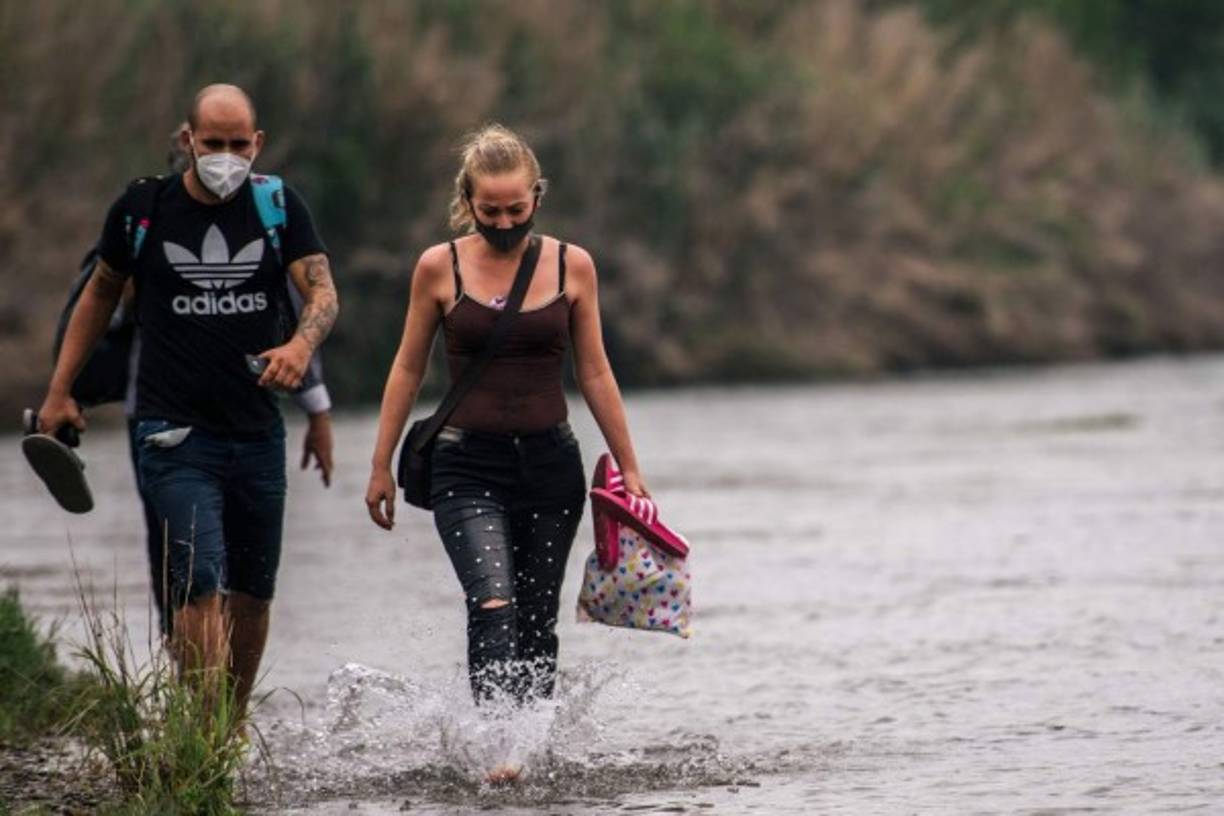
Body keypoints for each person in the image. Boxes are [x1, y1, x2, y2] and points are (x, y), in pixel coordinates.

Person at [37, 84, 339, 723]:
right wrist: (60, 390)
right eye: (213, 143)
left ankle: (226, 729)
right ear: (188, 141)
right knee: (199, 583)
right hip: (172, 434)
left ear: (257, 144)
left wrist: (299, 347)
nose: (225, 156)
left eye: (238, 144)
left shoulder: (277, 205)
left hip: (257, 432)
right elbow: (98, 296)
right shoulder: (142, 209)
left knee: (253, 595)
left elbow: (322, 294)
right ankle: (200, 731)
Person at [365, 124, 650, 713]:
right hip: (465, 464)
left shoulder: (575, 266)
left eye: (515, 209)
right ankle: (496, 739)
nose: (502, 223)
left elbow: (595, 373)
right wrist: (378, 466)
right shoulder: (437, 268)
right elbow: (406, 370)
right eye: (489, 210)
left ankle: (532, 742)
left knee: (537, 618)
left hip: (551, 466)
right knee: (493, 601)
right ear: (467, 201)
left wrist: (630, 467)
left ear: (537, 199)